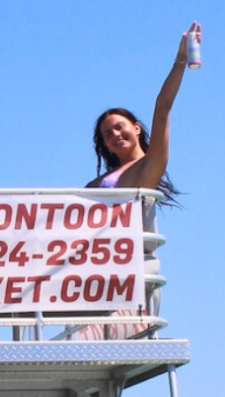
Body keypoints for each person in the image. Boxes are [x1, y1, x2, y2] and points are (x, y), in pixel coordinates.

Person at [76, 23, 199, 339]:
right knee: (80, 352)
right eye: (107, 134)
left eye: (119, 127)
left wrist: (180, 62)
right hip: (95, 281)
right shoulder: (97, 183)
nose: (115, 135)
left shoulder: (148, 167)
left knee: (101, 354)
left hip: (131, 282)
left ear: (136, 127)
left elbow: (163, 108)